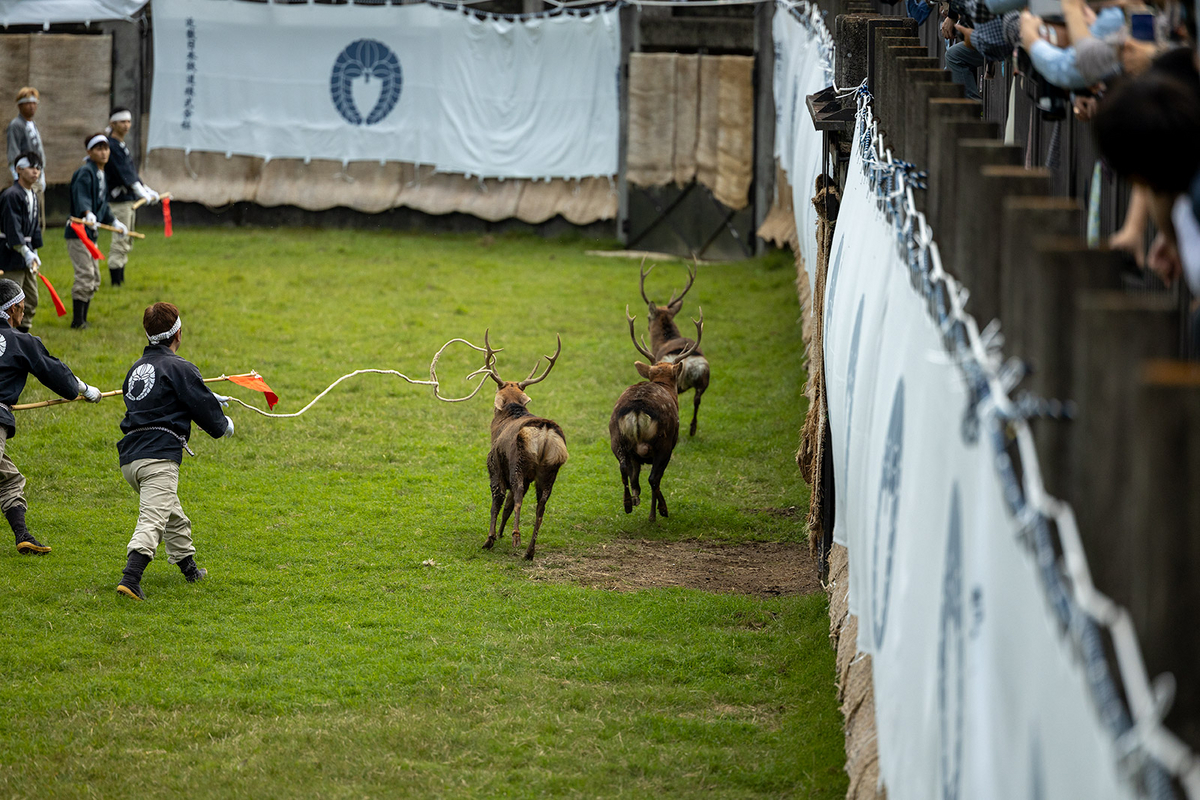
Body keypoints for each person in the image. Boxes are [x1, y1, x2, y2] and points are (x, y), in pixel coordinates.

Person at [116, 302, 235, 601]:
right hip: (159, 458)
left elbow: (175, 397)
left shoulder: (136, 369)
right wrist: (224, 424)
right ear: (178, 333)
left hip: (131, 458)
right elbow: (200, 407)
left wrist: (205, 394)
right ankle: (131, 578)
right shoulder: (179, 367)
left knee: (173, 516)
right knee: (153, 519)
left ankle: (190, 569)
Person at [0, 278, 102, 554]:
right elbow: (56, 374)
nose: (24, 312)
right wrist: (83, 388)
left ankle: (23, 536)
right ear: (11, 311)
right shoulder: (21, 342)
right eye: (22, 307)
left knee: (9, 479)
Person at [66, 133, 127, 330]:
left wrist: (114, 221)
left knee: (94, 277)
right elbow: (81, 195)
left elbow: (103, 205)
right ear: (89, 151)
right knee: (85, 274)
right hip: (78, 233)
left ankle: (83, 319)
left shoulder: (100, 173)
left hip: (90, 234)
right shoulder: (86, 172)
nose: (103, 152)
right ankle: (77, 322)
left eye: (106, 148)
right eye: (98, 148)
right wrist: (87, 213)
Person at [104, 107, 160, 287]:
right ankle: (116, 283)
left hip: (128, 200)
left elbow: (131, 173)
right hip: (118, 201)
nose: (126, 125)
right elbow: (123, 174)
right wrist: (140, 191)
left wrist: (145, 189)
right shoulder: (111, 146)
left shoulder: (120, 145)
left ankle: (120, 281)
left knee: (126, 240)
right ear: (113, 123)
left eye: (128, 121)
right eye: (122, 122)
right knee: (120, 239)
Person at [0, 152, 43, 333]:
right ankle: (8, 335)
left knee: (31, 298)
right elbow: (12, 228)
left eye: (38, 168)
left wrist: (34, 251)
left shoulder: (32, 194)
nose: (35, 171)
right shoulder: (11, 194)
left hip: (27, 253)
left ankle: (22, 336)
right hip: (11, 253)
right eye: (31, 167)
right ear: (19, 169)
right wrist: (24, 251)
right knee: (10, 300)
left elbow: (35, 227)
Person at [5, 88, 45, 230]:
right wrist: (18, 176)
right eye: (28, 103)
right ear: (20, 105)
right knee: (25, 214)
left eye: (34, 103)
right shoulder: (16, 125)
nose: (32, 106)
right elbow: (13, 153)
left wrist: (42, 173)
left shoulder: (32, 124)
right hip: (24, 175)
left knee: (36, 215)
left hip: (35, 174)